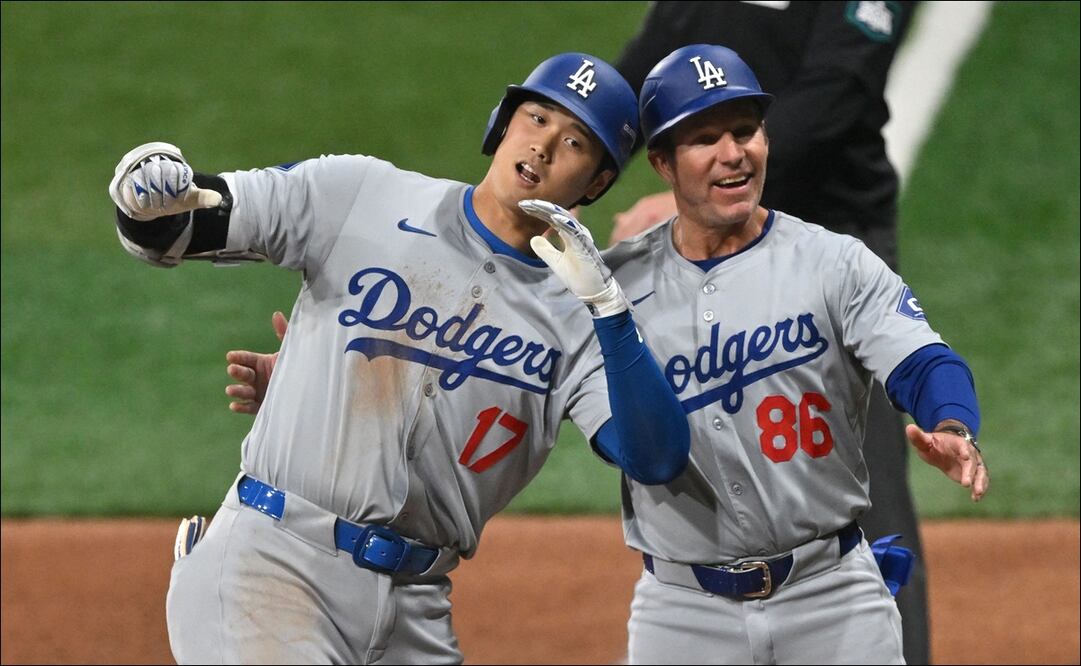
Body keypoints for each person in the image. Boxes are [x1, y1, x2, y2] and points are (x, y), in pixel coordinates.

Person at [107, 53, 690, 664]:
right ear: (502, 122)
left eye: (574, 141)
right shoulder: (361, 193)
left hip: (416, 604)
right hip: (275, 566)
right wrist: (144, 193)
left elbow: (655, 457)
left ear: (596, 183)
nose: (543, 146)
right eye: (536, 118)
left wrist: (611, 312)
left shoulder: (580, 317)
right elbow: (174, 227)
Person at [591, 43, 986, 664]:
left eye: (746, 130)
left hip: (832, 598)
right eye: (705, 139)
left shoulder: (833, 262)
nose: (733, 153)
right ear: (663, 164)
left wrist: (952, 423)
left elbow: (925, 362)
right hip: (682, 612)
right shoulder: (615, 289)